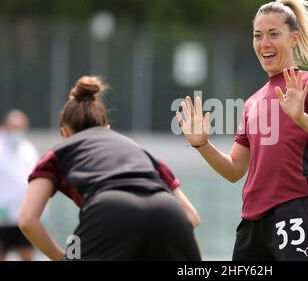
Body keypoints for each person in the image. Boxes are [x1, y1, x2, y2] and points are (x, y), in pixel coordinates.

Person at [176, 0, 308, 261]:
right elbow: (234, 170)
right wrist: (202, 144)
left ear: (294, 38)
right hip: (252, 222)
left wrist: (301, 117)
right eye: (257, 35)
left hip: (295, 211)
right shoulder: (253, 102)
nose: (264, 43)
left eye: (273, 34)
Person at [19, 76, 201, 261]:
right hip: (168, 209)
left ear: (64, 133)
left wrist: (62, 258)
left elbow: (27, 220)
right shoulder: (140, 152)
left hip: (108, 207)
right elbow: (191, 216)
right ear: (107, 128)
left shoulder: (59, 152)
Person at [0, 110, 38, 261]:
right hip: (2, 218)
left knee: (27, 255)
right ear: (5, 126)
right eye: (13, 126)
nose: (16, 130)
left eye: (20, 127)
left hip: (23, 216)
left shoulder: (29, 149)